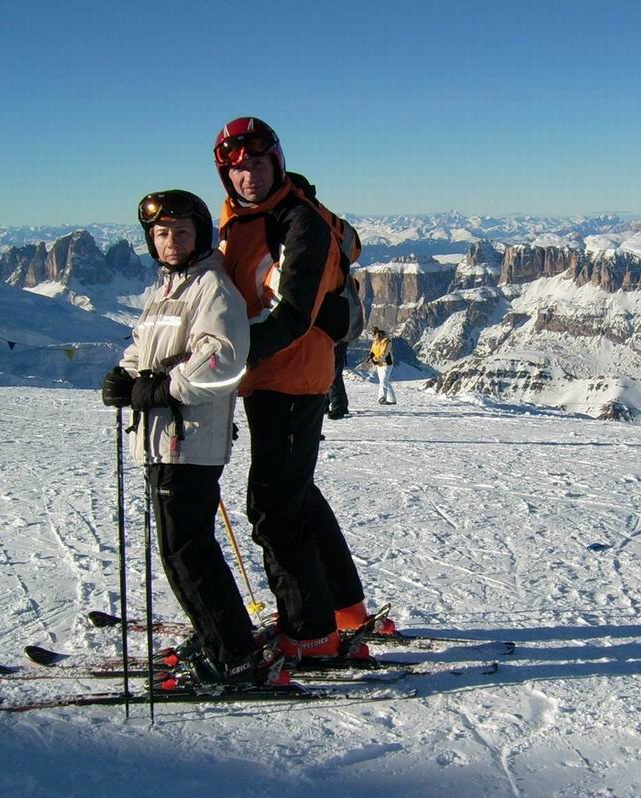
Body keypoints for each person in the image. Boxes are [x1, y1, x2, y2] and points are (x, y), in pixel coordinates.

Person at [212, 116, 391, 660]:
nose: (248, 175)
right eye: (237, 168)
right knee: (297, 496)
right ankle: (343, 610)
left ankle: (310, 632)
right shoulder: (240, 218)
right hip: (269, 378)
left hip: (293, 377)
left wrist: (218, 364)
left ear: (277, 163)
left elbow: (291, 314)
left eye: (258, 163)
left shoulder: (299, 222)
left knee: (274, 508)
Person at [100, 190, 279, 686]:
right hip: (164, 437)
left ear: (200, 236)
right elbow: (145, 347)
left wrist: (160, 390)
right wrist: (125, 375)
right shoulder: (168, 288)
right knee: (184, 549)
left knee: (186, 552)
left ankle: (233, 656)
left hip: (189, 439)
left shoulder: (211, 287)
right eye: (161, 233)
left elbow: (222, 359)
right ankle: (222, 637)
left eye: (181, 232)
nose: (171, 241)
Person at [368, 327, 397, 405]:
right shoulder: (376, 342)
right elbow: (373, 350)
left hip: (386, 364)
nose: (373, 337)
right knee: (384, 381)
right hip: (379, 364)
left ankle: (382, 398)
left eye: (373, 334)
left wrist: (375, 359)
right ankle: (392, 400)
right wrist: (371, 355)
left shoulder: (387, 341)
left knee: (383, 381)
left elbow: (384, 353)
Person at [326, 340, 350, 419]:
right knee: (332, 377)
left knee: (333, 378)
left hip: (334, 345)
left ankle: (338, 407)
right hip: (333, 345)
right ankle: (340, 406)